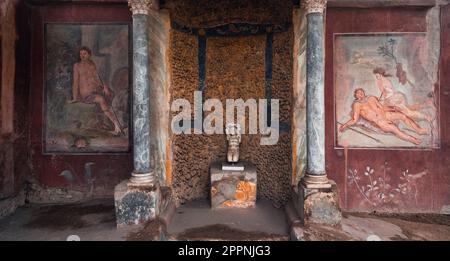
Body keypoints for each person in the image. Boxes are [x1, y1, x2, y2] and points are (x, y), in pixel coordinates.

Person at [339, 88, 428, 145]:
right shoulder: (357, 105)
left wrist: (392, 108)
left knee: (403, 116)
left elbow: (381, 107)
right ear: (356, 95)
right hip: (379, 121)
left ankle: (419, 130)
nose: (360, 93)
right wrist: (345, 125)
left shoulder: (371, 98)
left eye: (361, 92)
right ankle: (413, 139)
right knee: (395, 129)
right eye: (358, 93)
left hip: (385, 115)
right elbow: (354, 119)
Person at [68, 46, 122, 135]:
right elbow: (75, 83)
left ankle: (111, 124)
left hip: (96, 89)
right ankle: (116, 124)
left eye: (84, 53)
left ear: (89, 54)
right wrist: (75, 97)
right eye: (81, 54)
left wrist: (104, 86)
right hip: (86, 94)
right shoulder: (77, 66)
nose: (82, 55)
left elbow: (97, 79)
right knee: (101, 99)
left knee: (110, 93)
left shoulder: (92, 64)